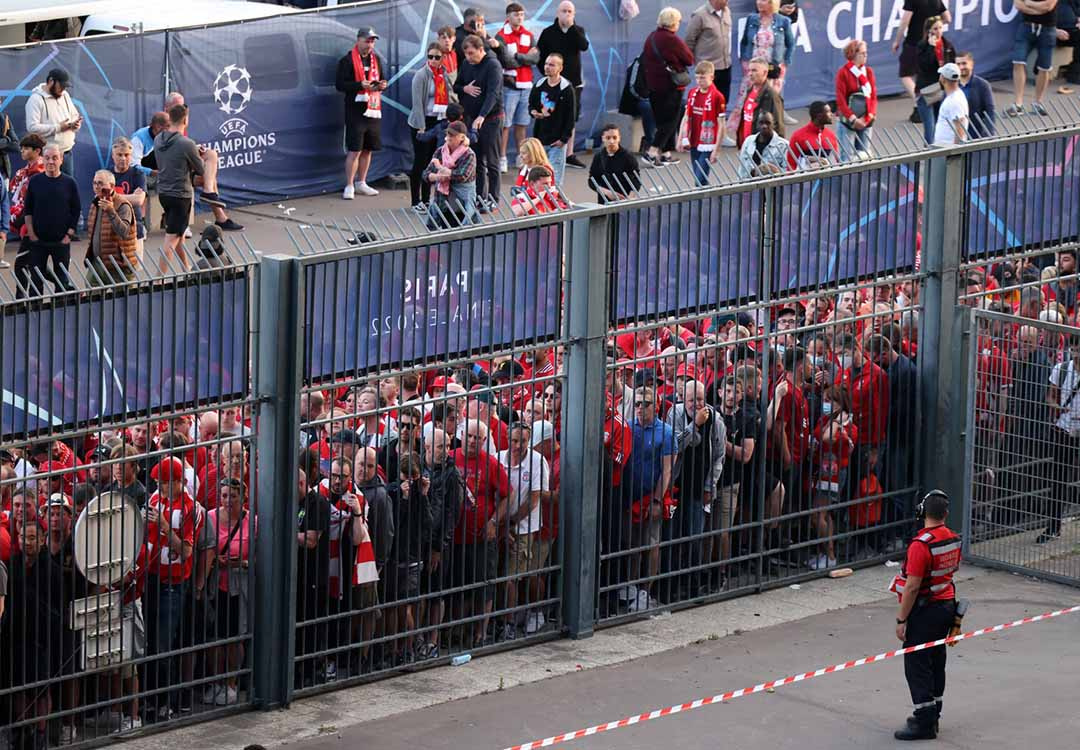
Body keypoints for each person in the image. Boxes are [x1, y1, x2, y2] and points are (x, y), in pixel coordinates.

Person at [889, 490, 961, 741]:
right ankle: (933, 714)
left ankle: (924, 722)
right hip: (947, 606)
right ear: (945, 513)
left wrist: (901, 619)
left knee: (917, 664)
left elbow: (911, 586)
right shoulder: (953, 539)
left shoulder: (921, 546)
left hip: (925, 610)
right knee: (936, 660)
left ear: (922, 513)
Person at [159, 92, 238, 231]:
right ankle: (218, 214)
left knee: (210, 162)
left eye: (183, 106)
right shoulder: (164, 128)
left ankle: (215, 206)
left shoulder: (179, 128)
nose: (181, 110)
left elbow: (180, 149)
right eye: (178, 107)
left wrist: (194, 150)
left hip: (180, 168)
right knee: (207, 173)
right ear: (167, 110)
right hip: (167, 174)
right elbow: (161, 154)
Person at [19, 144, 80, 296]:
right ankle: (35, 314)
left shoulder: (70, 183)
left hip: (61, 242)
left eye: (55, 158)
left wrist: (69, 235)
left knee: (61, 283)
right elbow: (28, 210)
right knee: (35, 283)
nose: (51, 161)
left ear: (61, 160)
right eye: (47, 158)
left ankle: (61, 314)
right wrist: (32, 234)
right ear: (43, 160)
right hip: (38, 242)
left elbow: (76, 210)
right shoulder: (34, 182)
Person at [535, 1, 590, 169]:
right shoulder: (548, 32)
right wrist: (547, 74)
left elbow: (584, 46)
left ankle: (569, 154)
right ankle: (544, 154)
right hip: (552, 83)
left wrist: (571, 26)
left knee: (570, 117)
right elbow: (540, 56)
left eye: (570, 11)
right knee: (548, 114)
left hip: (573, 84)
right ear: (557, 13)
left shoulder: (577, 31)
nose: (566, 14)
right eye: (564, 11)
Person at [455, 34, 504, 213]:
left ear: (481, 49)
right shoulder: (467, 64)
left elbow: (494, 93)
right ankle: (479, 197)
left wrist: (482, 115)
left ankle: (493, 199)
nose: (468, 57)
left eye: (471, 53)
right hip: (471, 118)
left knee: (492, 161)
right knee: (477, 161)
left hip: (491, 119)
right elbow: (456, 85)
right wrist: (464, 88)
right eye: (466, 54)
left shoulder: (493, 65)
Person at [336, 28, 388, 200]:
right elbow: (340, 85)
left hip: (372, 109)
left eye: (373, 41)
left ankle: (362, 182)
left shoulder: (376, 59)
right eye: (367, 40)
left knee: (368, 149)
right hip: (355, 110)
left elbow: (382, 78)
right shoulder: (347, 60)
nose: (370, 44)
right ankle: (349, 184)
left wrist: (381, 85)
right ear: (358, 40)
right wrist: (360, 85)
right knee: (355, 150)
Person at [641, 8, 695, 168]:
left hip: (652, 86)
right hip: (670, 86)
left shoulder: (651, 37)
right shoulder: (672, 40)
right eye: (678, 21)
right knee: (670, 121)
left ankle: (665, 153)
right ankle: (652, 152)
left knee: (661, 120)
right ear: (673, 22)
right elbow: (689, 59)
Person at [1039, 334, 1080, 543]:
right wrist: (1058, 408)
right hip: (1063, 430)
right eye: (1074, 350)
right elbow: (1050, 396)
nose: (1076, 354)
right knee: (1058, 480)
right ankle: (1052, 527)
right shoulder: (1061, 369)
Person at [155, 104, 203, 272]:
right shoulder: (187, 143)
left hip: (164, 193)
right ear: (185, 120)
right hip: (180, 196)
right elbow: (201, 169)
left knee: (179, 234)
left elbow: (172, 157)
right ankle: (158, 280)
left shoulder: (158, 139)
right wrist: (198, 154)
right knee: (171, 239)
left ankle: (186, 268)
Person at [409, 42, 455, 212]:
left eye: (437, 57)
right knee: (420, 162)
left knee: (433, 162)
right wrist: (421, 128)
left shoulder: (443, 74)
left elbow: (450, 95)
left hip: (438, 121)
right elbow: (417, 104)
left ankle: (427, 199)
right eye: (430, 56)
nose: (433, 60)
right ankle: (415, 201)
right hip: (422, 123)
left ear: (443, 58)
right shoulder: (421, 75)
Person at [890, 0, 950, 124]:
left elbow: (905, 21)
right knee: (922, 73)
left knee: (905, 74)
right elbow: (947, 18)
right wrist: (934, 27)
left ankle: (920, 101)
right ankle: (924, 104)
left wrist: (897, 40)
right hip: (931, 42)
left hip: (913, 42)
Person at [498, 3, 540, 174]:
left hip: (526, 85)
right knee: (506, 125)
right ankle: (502, 158)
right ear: (508, 16)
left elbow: (535, 59)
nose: (520, 17)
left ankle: (520, 157)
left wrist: (517, 57)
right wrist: (524, 58)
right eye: (516, 14)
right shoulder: (501, 36)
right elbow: (506, 60)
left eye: (522, 14)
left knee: (522, 123)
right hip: (509, 86)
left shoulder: (529, 35)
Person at [529, 53, 576, 186]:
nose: (547, 67)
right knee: (540, 176)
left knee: (554, 177)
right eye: (546, 64)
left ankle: (556, 204)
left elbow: (570, 117)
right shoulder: (539, 84)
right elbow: (531, 103)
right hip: (541, 138)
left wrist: (563, 139)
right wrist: (533, 112)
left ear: (560, 68)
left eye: (551, 65)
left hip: (557, 140)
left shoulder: (566, 89)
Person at [85, 169, 139, 285]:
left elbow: (124, 232)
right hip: (98, 263)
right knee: (91, 297)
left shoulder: (122, 205)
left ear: (112, 186)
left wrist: (111, 211)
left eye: (100, 183)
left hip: (119, 266)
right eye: (94, 183)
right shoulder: (95, 203)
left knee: (124, 300)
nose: (97, 187)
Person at [24, 68, 80, 177]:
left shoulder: (65, 95)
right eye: (61, 85)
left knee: (66, 190)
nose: (63, 89)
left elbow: (74, 114)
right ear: (51, 81)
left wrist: (75, 124)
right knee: (47, 189)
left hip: (66, 153)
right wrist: (58, 127)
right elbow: (32, 127)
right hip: (46, 156)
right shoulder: (35, 100)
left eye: (65, 86)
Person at [423, 121, 479, 229]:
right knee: (443, 233)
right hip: (443, 202)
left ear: (462, 137)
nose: (449, 137)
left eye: (452, 135)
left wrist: (441, 169)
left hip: (462, 204)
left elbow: (462, 175)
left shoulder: (469, 154)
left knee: (463, 234)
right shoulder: (440, 151)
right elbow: (426, 174)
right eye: (448, 134)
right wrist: (435, 177)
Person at [677, 61, 725, 185]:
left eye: (702, 78)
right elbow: (686, 117)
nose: (699, 81)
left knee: (699, 179)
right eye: (697, 77)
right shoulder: (692, 93)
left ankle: (704, 202)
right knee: (700, 180)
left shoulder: (717, 97)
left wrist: (717, 149)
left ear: (712, 77)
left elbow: (721, 125)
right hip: (694, 140)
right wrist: (680, 138)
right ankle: (710, 201)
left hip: (708, 143)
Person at [1009, 0, 1059, 116]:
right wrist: (1038, 9)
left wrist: (1029, 3)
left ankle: (1038, 103)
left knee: (1044, 67)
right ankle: (1018, 104)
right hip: (1026, 27)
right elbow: (1018, 5)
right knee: (1018, 61)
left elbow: (1048, 6)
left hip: (1047, 29)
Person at [915, 16, 956, 145]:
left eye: (940, 28)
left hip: (942, 89)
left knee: (941, 126)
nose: (938, 31)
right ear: (928, 31)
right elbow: (923, 66)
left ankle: (939, 154)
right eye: (935, 28)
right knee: (930, 128)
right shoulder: (922, 46)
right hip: (927, 91)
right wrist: (931, 48)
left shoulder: (947, 45)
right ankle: (929, 155)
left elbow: (952, 66)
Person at [684, 0, 734, 105]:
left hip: (725, 66)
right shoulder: (699, 15)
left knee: (723, 102)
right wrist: (696, 64)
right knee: (707, 103)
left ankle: (720, 121)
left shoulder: (727, 11)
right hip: (708, 70)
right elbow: (689, 40)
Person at [834, 39, 877, 159]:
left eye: (866, 53)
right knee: (847, 158)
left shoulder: (868, 72)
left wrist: (870, 116)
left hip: (866, 119)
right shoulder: (843, 73)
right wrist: (853, 119)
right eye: (862, 53)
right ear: (853, 54)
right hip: (848, 121)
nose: (865, 55)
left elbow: (873, 96)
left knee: (865, 155)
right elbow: (841, 101)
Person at [110, 135, 148, 257]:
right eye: (119, 155)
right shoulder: (106, 174)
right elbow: (101, 199)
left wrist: (113, 196)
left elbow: (139, 200)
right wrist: (130, 196)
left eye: (126, 155)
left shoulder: (138, 174)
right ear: (113, 156)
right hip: (112, 231)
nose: (123, 158)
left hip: (134, 229)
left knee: (134, 270)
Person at [734, 58, 786, 148]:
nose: (750, 74)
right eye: (749, 70)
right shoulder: (750, 91)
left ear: (765, 73)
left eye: (754, 70)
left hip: (762, 147)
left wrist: (777, 150)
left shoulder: (771, 96)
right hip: (748, 145)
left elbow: (778, 125)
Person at [588, 123, 641, 203]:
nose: (611, 141)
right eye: (608, 138)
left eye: (614, 138)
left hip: (624, 199)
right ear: (603, 138)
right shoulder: (599, 157)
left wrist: (630, 198)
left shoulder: (628, 157)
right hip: (604, 201)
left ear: (619, 138)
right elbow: (592, 180)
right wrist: (607, 192)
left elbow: (636, 179)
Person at [786, 101, 839, 170]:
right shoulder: (798, 136)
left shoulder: (831, 135)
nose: (832, 114)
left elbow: (836, 162)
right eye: (828, 112)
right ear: (819, 116)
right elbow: (791, 164)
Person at [955, 51, 996, 137]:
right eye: (958, 64)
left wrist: (989, 133)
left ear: (971, 64)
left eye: (964, 63)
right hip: (956, 135)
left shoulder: (982, 85)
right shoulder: (951, 86)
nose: (961, 67)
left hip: (976, 134)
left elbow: (990, 111)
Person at [737, 111, 789, 178]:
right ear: (757, 124)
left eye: (768, 123)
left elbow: (788, 171)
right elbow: (742, 168)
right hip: (750, 184)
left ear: (774, 124)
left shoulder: (784, 145)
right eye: (761, 123)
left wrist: (774, 171)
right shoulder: (748, 141)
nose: (764, 126)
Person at [932, 63, 969, 147]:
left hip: (948, 150)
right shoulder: (956, 96)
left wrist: (955, 151)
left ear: (943, 79)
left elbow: (960, 127)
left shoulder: (954, 101)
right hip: (945, 148)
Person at [0, 111, 15, 269]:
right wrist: (6, 140)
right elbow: (9, 142)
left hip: (2, 173)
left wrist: (7, 140)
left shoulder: (5, 119)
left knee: (3, 209)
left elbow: (15, 145)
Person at [1058, 0, 1080, 89]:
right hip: (1051, 31)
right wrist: (1054, 31)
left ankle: (1075, 71)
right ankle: (1074, 73)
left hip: (1072, 30)